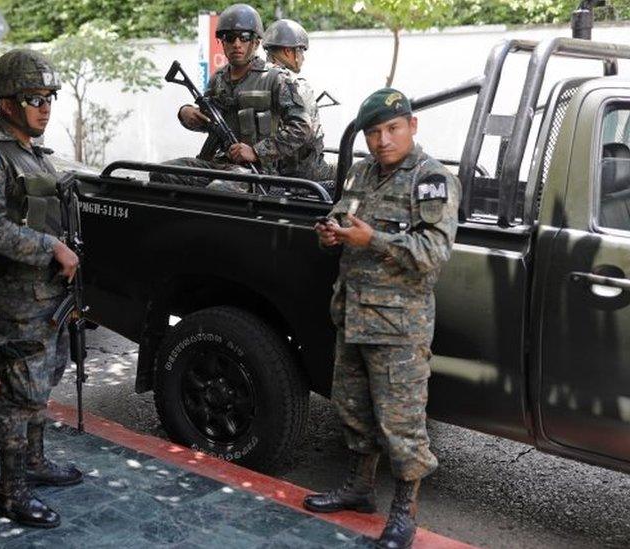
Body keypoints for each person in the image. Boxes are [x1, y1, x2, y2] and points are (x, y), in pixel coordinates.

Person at [305, 88, 460, 549]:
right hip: (352, 314)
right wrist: (329, 234)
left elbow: (433, 253)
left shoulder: (431, 180)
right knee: (353, 410)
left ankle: (403, 514)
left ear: (412, 126)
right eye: (373, 132)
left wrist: (372, 240)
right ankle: (359, 489)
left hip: (398, 326)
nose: (381, 140)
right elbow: (340, 218)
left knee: (402, 424)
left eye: (391, 129)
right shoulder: (361, 173)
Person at [0, 48, 83, 529]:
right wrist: (51, 247)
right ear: (8, 103)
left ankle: (34, 462)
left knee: (42, 383)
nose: (45, 107)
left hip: (49, 296)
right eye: (34, 98)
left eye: (49, 97)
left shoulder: (36, 156)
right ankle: (10, 492)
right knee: (19, 395)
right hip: (21, 298)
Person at [154, 3, 312, 189]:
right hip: (220, 163)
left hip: (259, 172)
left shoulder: (276, 79)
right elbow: (210, 124)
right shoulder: (218, 80)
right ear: (222, 42)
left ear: (256, 42)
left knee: (219, 189)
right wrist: (186, 114)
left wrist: (256, 151)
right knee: (161, 173)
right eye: (230, 38)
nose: (237, 44)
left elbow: (301, 128)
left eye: (244, 37)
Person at [262, 18, 335, 188]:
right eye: (301, 51)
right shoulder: (296, 84)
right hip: (301, 173)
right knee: (350, 171)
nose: (303, 58)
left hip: (267, 170)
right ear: (288, 51)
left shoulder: (257, 79)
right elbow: (305, 134)